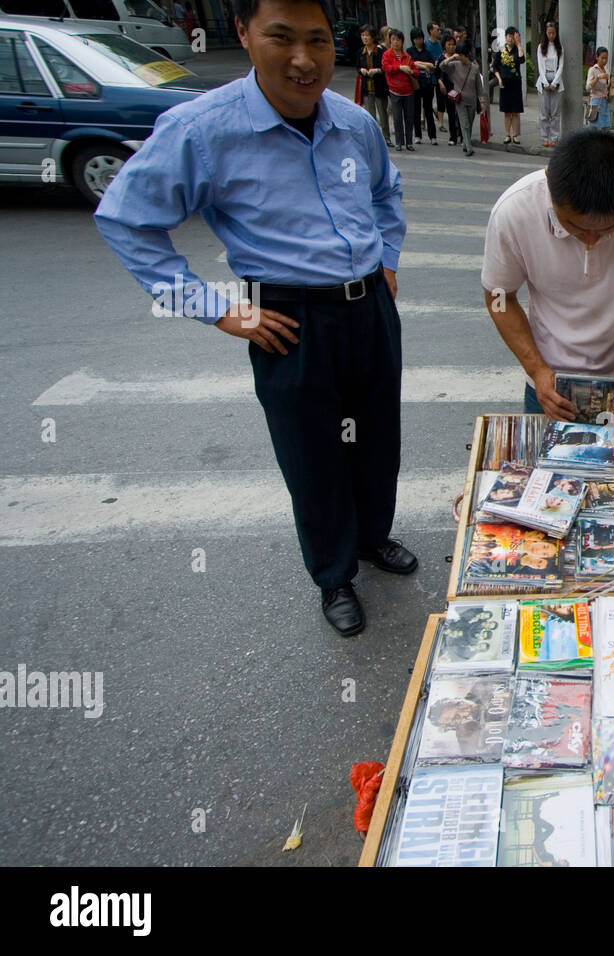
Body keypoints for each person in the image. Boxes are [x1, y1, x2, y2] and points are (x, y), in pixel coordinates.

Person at [94, 0, 416, 638]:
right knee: (313, 454)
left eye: (318, 41)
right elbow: (127, 219)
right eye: (282, 38)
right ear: (244, 34)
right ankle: (333, 575)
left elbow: (386, 190)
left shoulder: (354, 123)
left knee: (376, 439)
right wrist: (214, 307)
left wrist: (387, 257)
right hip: (289, 319)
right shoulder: (202, 130)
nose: (303, 59)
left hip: (370, 310)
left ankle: (371, 538)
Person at [481, 129, 614, 419]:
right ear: (550, 190)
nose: (591, 241)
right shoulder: (514, 212)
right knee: (545, 464)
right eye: (576, 227)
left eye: (608, 228)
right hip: (547, 380)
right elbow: (498, 296)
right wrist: (537, 369)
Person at [441, 40, 485, 155]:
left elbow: (479, 87)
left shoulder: (474, 68)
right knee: (464, 124)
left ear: (465, 55)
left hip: (472, 101)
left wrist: (482, 102)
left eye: (460, 54)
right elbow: (442, 66)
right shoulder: (454, 65)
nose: (458, 56)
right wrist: (451, 58)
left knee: (469, 124)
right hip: (460, 100)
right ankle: (469, 148)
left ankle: (466, 144)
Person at [383, 28, 417, 150]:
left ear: (402, 41)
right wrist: (400, 67)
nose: (396, 42)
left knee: (409, 117)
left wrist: (411, 71)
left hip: (408, 91)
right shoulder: (387, 54)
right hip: (394, 91)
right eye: (393, 39)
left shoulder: (407, 56)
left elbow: (416, 72)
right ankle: (399, 142)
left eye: (398, 40)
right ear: (390, 41)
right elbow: (386, 67)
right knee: (397, 117)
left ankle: (409, 142)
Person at [357, 26, 392, 146]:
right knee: (370, 116)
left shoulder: (381, 51)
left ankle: (386, 137)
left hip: (379, 87)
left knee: (383, 113)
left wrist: (377, 70)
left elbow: (385, 68)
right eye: (362, 35)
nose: (364, 38)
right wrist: (361, 70)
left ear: (372, 37)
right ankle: (374, 139)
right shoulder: (361, 52)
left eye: (366, 35)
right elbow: (357, 67)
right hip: (367, 88)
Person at [493, 26, 525, 145]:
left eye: (513, 36)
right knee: (507, 112)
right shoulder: (501, 51)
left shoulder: (517, 50)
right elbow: (495, 67)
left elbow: (522, 60)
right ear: (506, 37)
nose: (510, 38)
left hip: (516, 84)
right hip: (504, 84)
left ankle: (515, 135)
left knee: (515, 111)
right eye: (509, 36)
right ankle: (507, 135)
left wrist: (519, 44)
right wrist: (499, 79)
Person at [536, 21, 564, 147]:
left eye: (553, 33)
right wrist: (545, 82)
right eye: (549, 33)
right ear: (546, 33)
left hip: (556, 82)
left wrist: (555, 82)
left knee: (555, 113)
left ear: (556, 33)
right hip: (544, 81)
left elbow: (561, 66)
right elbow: (540, 67)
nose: (551, 35)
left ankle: (554, 137)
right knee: (544, 112)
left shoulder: (560, 48)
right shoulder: (541, 47)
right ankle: (544, 137)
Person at [409, 29, 437, 144]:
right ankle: (418, 135)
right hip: (415, 84)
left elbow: (432, 65)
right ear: (413, 40)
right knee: (416, 110)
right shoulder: (409, 51)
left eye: (420, 38)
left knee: (428, 110)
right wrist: (423, 65)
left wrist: (419, 64)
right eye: (416, 38)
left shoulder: (427, 52)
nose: (418, 40)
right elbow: (411, 63)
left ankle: (432, 136)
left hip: (427, 84)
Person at [585, 45, 613, 128]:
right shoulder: (593, 70)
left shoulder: (606, 70)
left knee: (605, 128)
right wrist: (597, 78)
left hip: (604, 102)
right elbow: (588, 87)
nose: (604, 60)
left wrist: (612, 84)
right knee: (595, 129)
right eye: (602, 58)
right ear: (597, 57)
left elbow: (607, 87)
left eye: (606, 58)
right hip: (596, 102)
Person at [426, 23, 447, 131]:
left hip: (438, 73)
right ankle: (423, 118)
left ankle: (440, 123)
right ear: (431, 31)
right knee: (427, 98)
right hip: (428, 74)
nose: (439, 31)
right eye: (437, 30)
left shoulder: (439, 45)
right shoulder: (426, 44)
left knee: (440, 98)